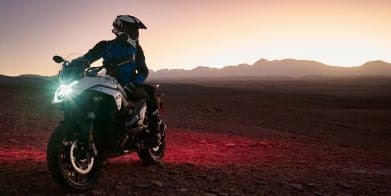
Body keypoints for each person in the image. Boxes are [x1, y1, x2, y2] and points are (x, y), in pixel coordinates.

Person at [69, 15, 161, 145]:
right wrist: (72, 65)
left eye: (136, 31)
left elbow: (143, 71)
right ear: (122, 29)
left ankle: (154, 133)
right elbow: (87, 58)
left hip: (130, 85)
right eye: (133, 30)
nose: (136, 33)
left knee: (150, 91)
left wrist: (133, 84)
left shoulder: (137, 50)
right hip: (108, 83)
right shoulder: (105, 46)